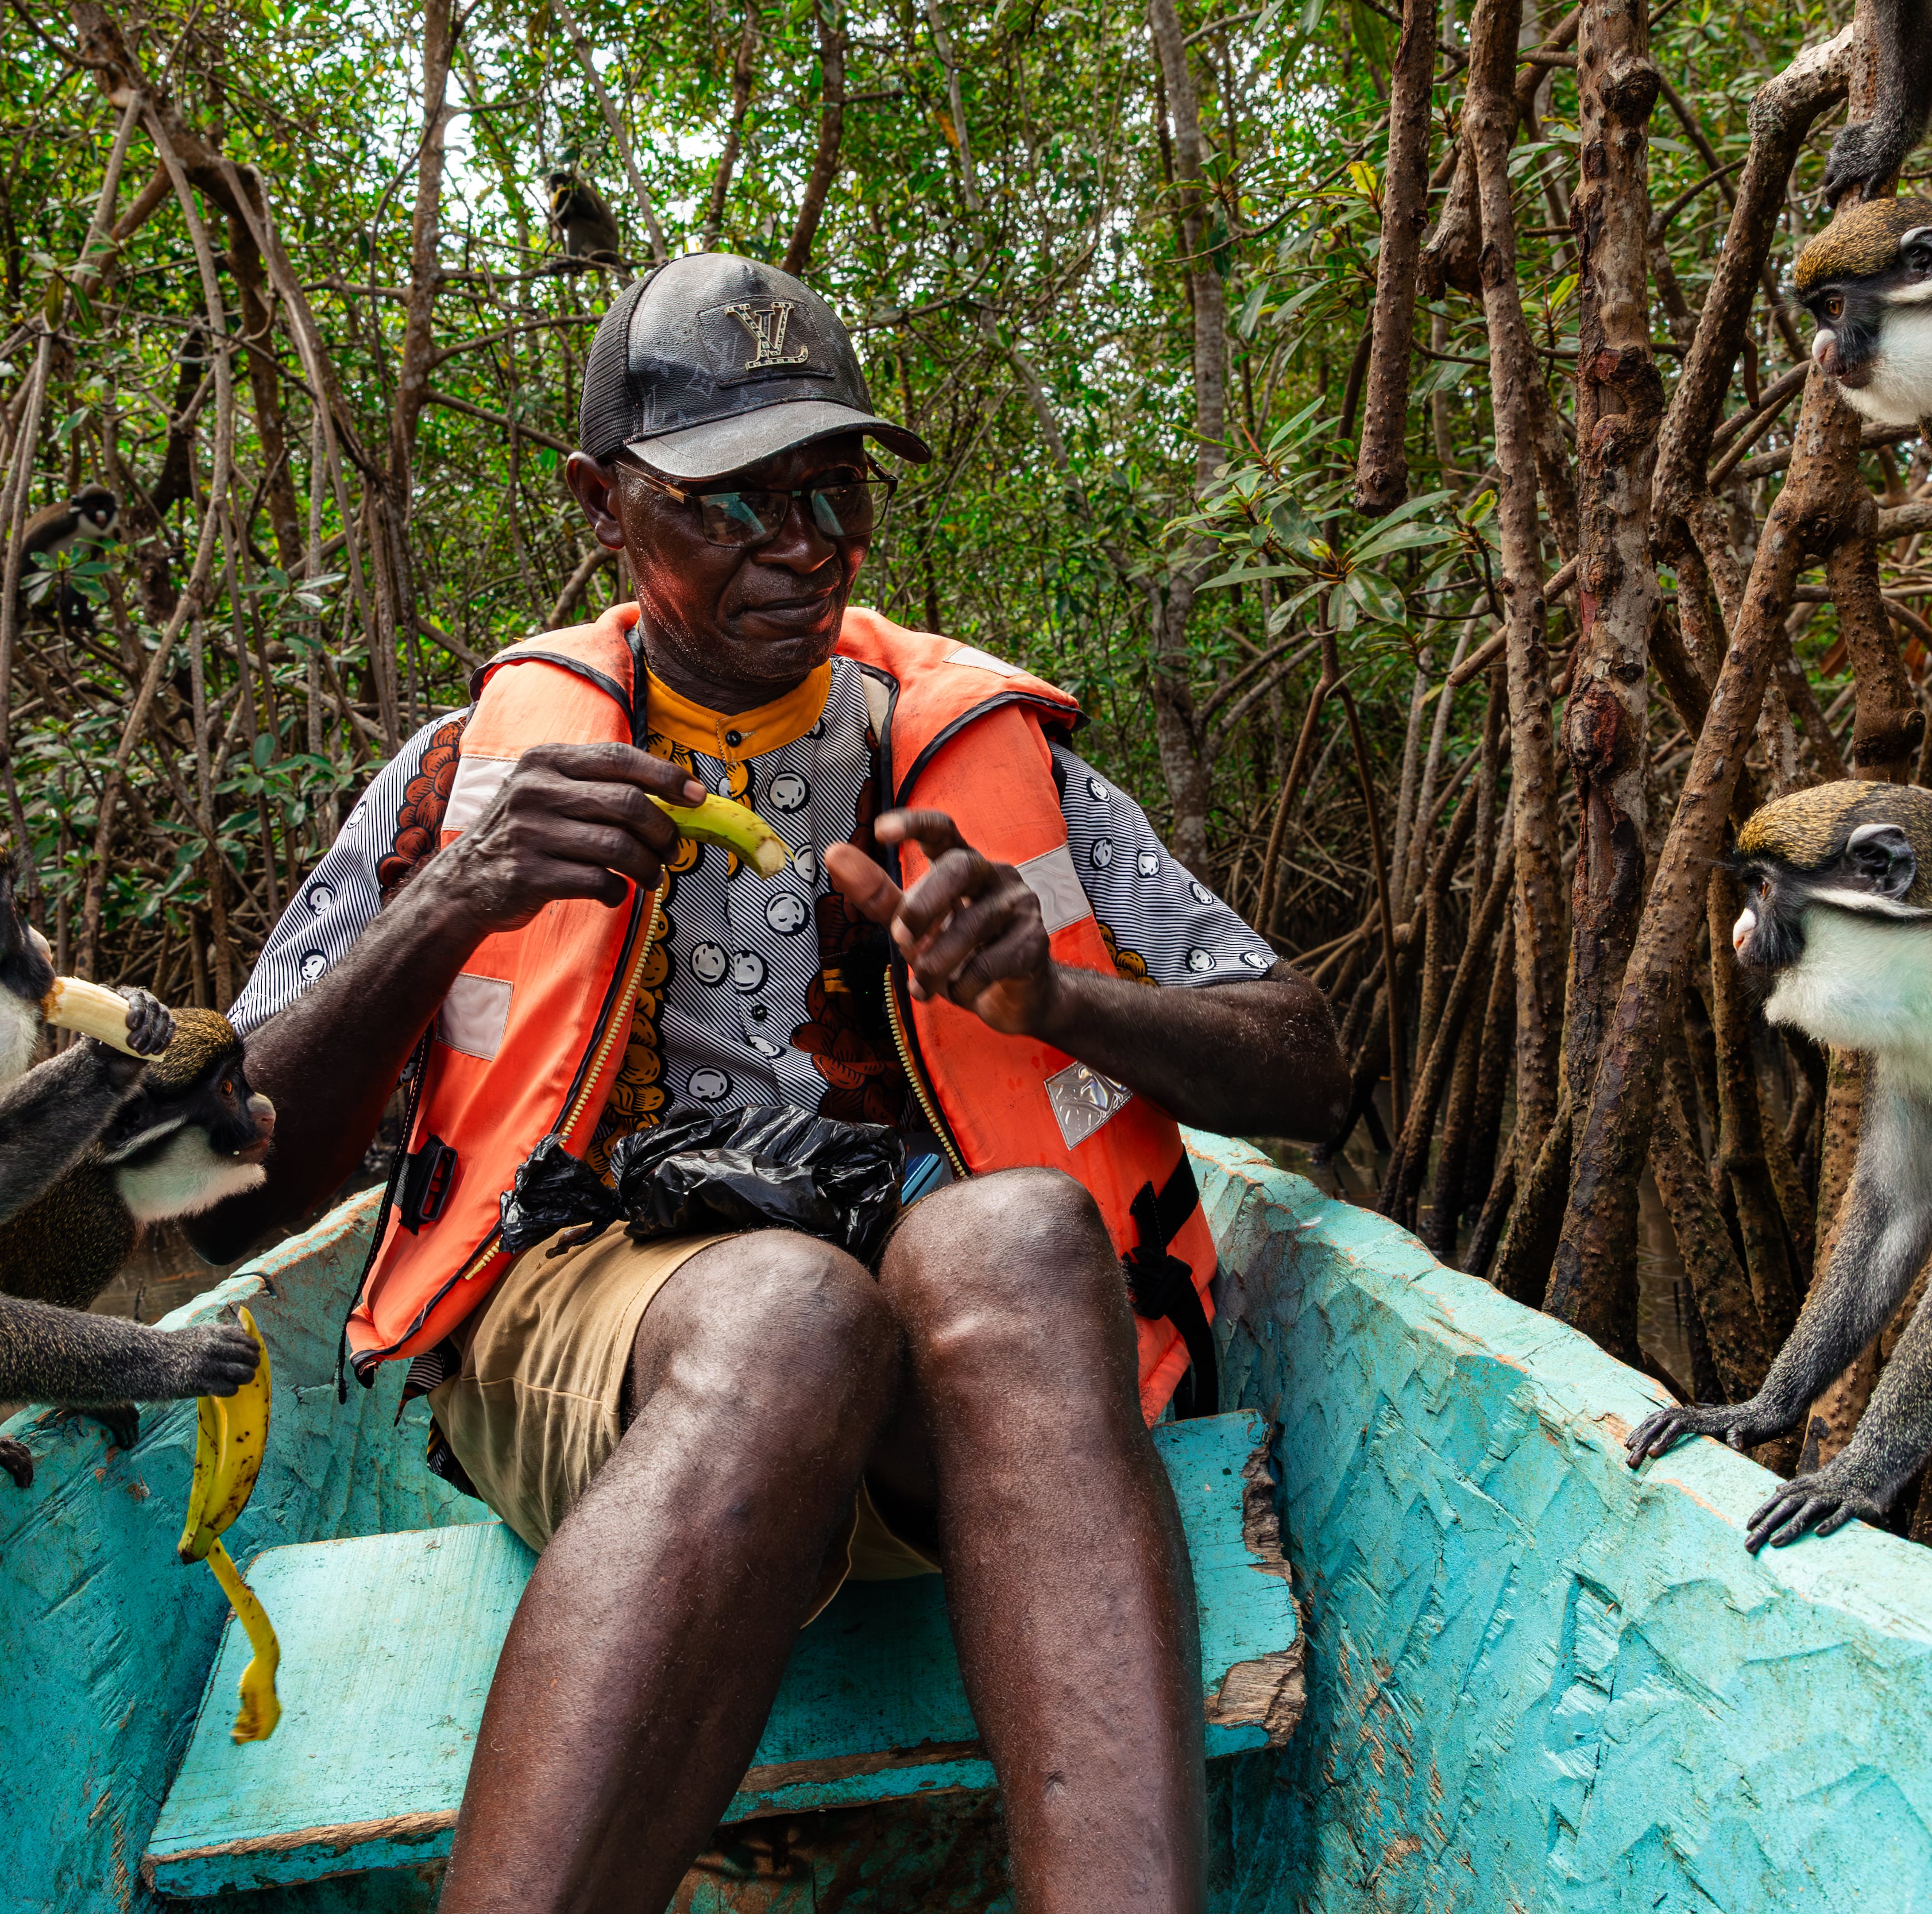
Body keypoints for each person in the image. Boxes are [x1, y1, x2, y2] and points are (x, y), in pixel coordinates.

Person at [198, 254, 1347, 1914]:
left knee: (1027, 1235)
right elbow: (233, 1181)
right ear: (603, 506)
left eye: (831, 491)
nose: (799, 543)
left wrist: (1053, 996)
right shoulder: (475, 773)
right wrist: (452, 901)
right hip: (612, 1355)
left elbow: (1309, 1067)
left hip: (940, 1422)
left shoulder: (970, 741)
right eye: (732, 504)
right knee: (788, 1313)